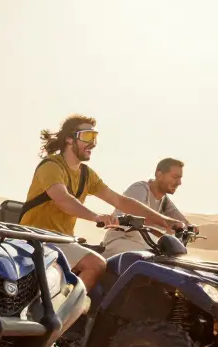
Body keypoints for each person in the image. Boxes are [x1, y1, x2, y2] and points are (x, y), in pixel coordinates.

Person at [19, 115, 185, 291]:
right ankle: (61, 315)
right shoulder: (51, 166)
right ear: (69, 139)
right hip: (37, 238)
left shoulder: (86, 174)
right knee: (95, 264)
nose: (93, 143)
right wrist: (95, 216)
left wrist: (165, 221)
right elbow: (63, 199)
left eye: (95, 137)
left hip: (62, 241)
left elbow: (120, 200)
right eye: (87, 136)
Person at [101, 158, 189, 257]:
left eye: (180, 178)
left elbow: (177, 219)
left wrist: (189, 227)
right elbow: (142, 214)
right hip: (121, 239)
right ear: (159, 175)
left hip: (144, 243)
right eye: (175, 177)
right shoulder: (140, 188)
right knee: (150, 260)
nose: (179, 182)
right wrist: (166, 223)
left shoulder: (164, 200)